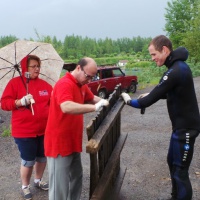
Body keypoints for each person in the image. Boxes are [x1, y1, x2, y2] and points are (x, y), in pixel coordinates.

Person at [121, 35, 200, 200]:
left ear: (164, 50)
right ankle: (175, 196)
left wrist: (128, 100)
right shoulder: (177, 67)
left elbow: (147, 102)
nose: (152, 59)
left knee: (180, 171)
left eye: (153, 54)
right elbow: (172, 93)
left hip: (186, 129)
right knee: (172, 162)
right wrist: (152, 93)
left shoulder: (175, 70)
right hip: (180, 128)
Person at [44, 57, 109, 200]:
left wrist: (105, 101)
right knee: (59, 187)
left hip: (73, 141)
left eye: (93, 77)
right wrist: (94, 108)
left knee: (76, 177)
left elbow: (92, 98)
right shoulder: (64, 84)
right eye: (88, 76)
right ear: (78, 68)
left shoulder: (81, 84)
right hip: (59, 144)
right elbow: (66, 106)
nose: (90, 80)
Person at [0, 55, 52, 200]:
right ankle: (25, 186)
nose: (37, 69)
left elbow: (54, 99)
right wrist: (20, 101)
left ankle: (38, 180)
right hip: (24, 132)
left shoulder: (44, 85)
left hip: (44, 130)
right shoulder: (15, 83)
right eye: (33, 66)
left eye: (38, 66)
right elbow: (4, 104)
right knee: (28, 161)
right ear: (25, 68)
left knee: (42, 157)